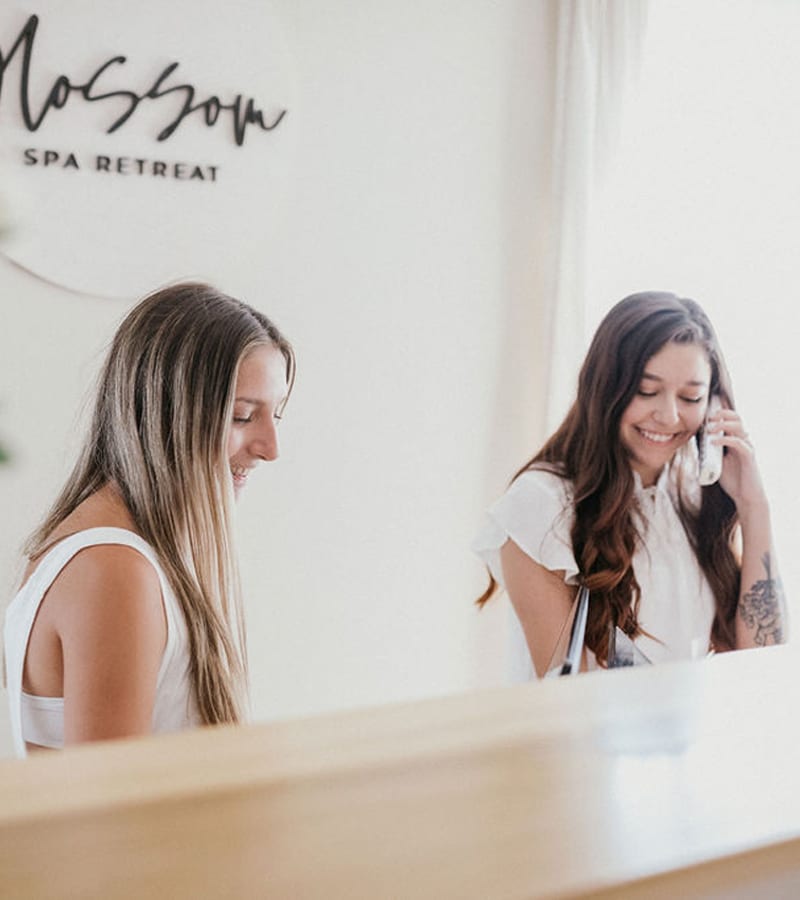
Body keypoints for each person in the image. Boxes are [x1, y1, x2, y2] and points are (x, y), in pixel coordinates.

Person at [3, 282, 295, 756]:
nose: (270, 448)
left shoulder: (129, 556)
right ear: (165, 412)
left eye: (276, 415)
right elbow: (111, 817)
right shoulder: (114, 569)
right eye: (242, 416)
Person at [472, 291, 786, 679]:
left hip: (679, 736)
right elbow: (568, 695)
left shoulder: (689, 502)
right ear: (605, 386)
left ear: (714, 405)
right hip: (585, 738)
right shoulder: (541, 507)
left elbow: (762, 668)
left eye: (691, 396)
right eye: (646, 391)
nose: (669, 416)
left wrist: (755, 507)